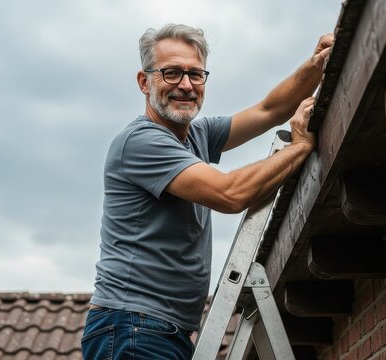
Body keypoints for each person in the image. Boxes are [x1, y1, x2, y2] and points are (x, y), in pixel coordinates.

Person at [81, 23, 334, 360]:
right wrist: (299, 148)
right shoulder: (142, 141)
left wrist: (315, 66)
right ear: (145, 82)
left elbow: (269, 110)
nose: (185, 85)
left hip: (159, 330)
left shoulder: (195, 137)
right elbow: (230, 194)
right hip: (133, 329)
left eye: (195, 75)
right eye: (171, 73)